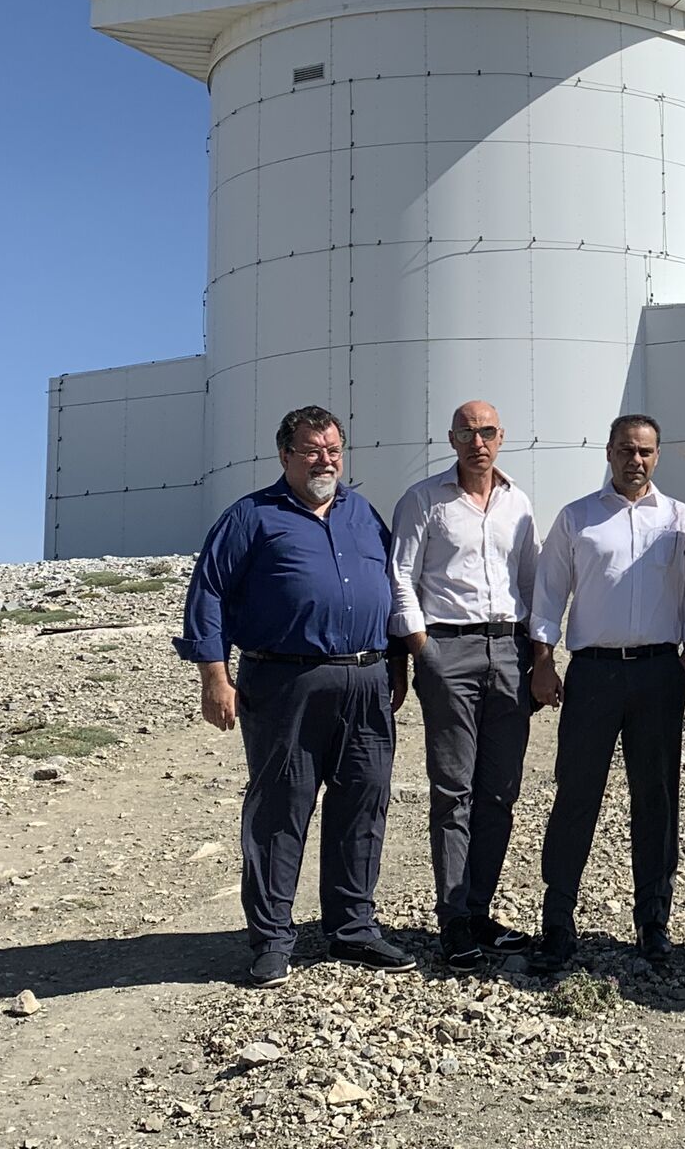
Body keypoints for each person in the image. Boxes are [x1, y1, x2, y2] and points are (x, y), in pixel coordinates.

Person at [178, 405, 416, 988]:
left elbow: (392, 586)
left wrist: (399, 661)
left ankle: (352, 928)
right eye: (312, 450)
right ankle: (272, 939)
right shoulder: (251, 518)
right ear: (285, 455)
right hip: (285, 682)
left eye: (333, 449)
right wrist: (215, 676)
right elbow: (208, 593)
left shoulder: (363, 514)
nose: (325, 460)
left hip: (366, 679)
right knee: (281, 811)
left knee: (363, 802)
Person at [528, 415, 685, 972]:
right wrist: (542, 660)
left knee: (656, 798)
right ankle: (557, 919)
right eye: (627, 449)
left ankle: (654, 922)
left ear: (658, 455)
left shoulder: (680, 519)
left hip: (658, 674)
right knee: (576, 794)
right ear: (608, 451)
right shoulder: (577, 518)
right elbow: (550, 592)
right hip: (593, 675)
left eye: (647, 451)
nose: (637, 460)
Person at [389, 400, 539, 972]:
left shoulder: (517, 502)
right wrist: (421, 646)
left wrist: (536, 650)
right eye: (467, 432)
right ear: (451, 439)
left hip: (509, 649)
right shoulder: (424, 500)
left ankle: (479, 911)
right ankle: (453, 921)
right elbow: (400, 574)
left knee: (500, 790)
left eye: (487, 432)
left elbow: (528, 577)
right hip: (446, 649)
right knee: (454, 791)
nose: (478, 441)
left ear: (502, 437)